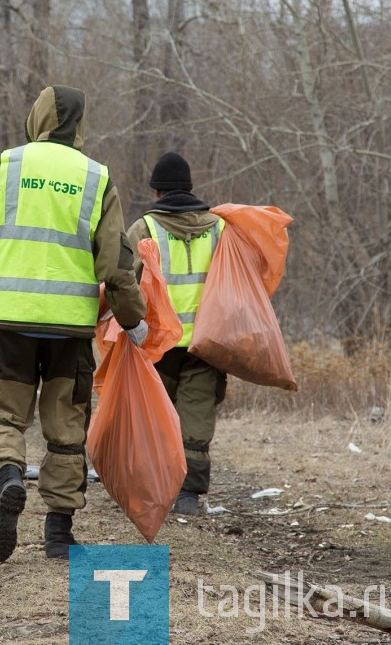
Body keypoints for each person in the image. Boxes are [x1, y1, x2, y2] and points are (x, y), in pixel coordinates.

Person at [0, 85, 149, 562]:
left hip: (9, 321)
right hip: (70, 329)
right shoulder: (97, 177)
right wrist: (132, 317)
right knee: (66, 426)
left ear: (37, 117)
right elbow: (115, 260)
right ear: (80, 125)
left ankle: (9, 475)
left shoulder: (5, 165)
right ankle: (58, 531)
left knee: (3, 412)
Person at [126, 151, 226, 517]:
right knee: (196, 418)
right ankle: (188, 495)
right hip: (207, 342)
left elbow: (125, 280)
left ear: (157, 193)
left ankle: (154, 488)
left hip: (158, 344)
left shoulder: (145, 228)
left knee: (155, 416)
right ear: (189, 188)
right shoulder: (220, 227)